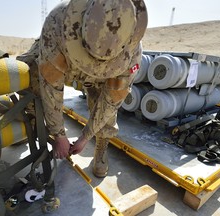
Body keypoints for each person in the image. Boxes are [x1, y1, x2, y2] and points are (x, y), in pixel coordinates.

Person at [17, 0, 148, 178]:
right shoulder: (57, 24)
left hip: (101, 77)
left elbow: (111, 102)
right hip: (63, 57)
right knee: (29, 72)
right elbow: (51, 88)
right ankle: (34, 125)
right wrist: (59, 135)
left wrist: (86, 136)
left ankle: (102, 144)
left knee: (106, 103)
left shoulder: (131, 55)